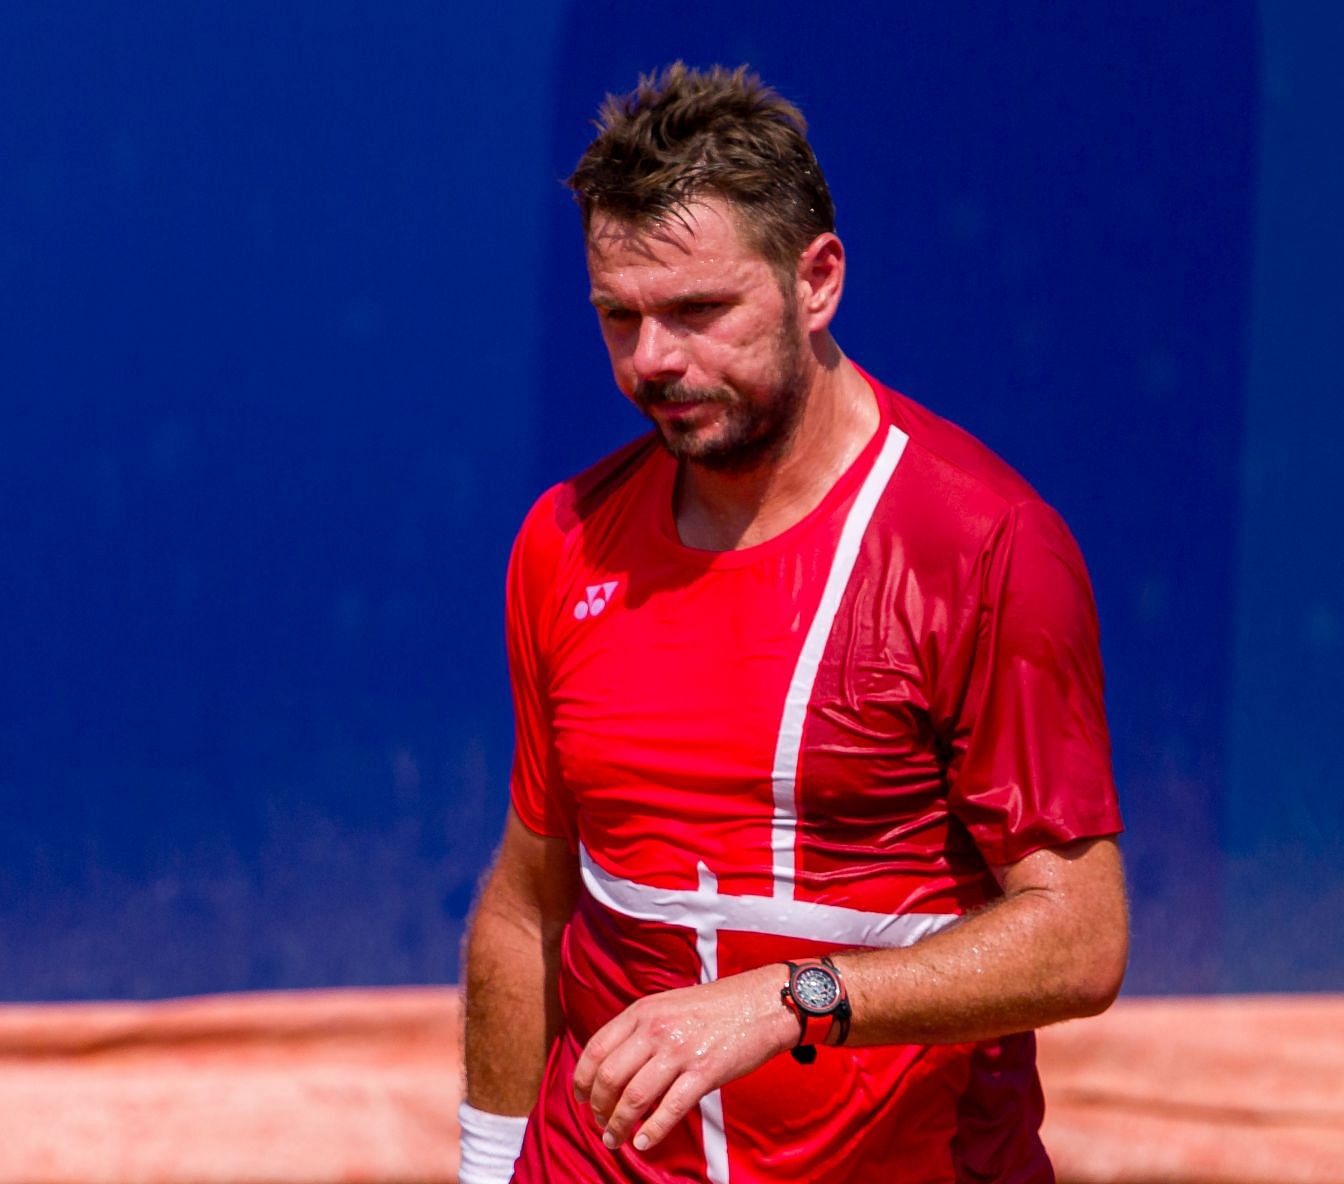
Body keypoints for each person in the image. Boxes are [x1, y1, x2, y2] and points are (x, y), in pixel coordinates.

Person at [458, 64, 1128, 1184]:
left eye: (699, 310)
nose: (653, 360)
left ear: (817, 281)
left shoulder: (985, 547)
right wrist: (487, 1168)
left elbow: (1080, 933)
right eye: (618, 317)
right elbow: (530, 900)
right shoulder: (563, 539)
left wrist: (790, 997)